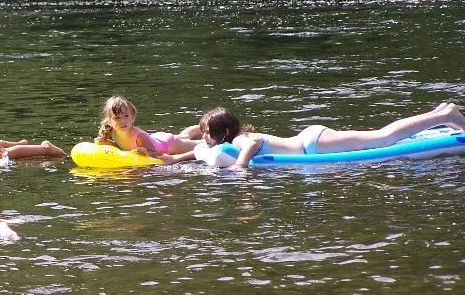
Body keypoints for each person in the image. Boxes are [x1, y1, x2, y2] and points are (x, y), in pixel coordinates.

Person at [162, 103, 465, 169]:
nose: (204, 139)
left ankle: (445, 114)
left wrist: (241, 167)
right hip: (310, 144)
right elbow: (197, 151)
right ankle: (439, 113)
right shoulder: (224, 140)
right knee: (382, 137)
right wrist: (171, 159)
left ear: (223, 133)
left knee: (383, 138)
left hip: (314, 143)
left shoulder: (238, 140)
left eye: (206, 134)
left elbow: (251, 145)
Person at [94, 95, 203, 156]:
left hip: (167, 145)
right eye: (117, 118)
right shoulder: (112, 133)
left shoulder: (138, 135)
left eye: (126, 116)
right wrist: (106, 142)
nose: (123, 121)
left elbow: (154, 153)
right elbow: (121, 147)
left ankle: (208, 128)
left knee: (200, 144)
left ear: (133, 117)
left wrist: (146, 152)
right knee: (182, 136)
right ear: (109, 122)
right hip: (155, 138)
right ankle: (202, 127)